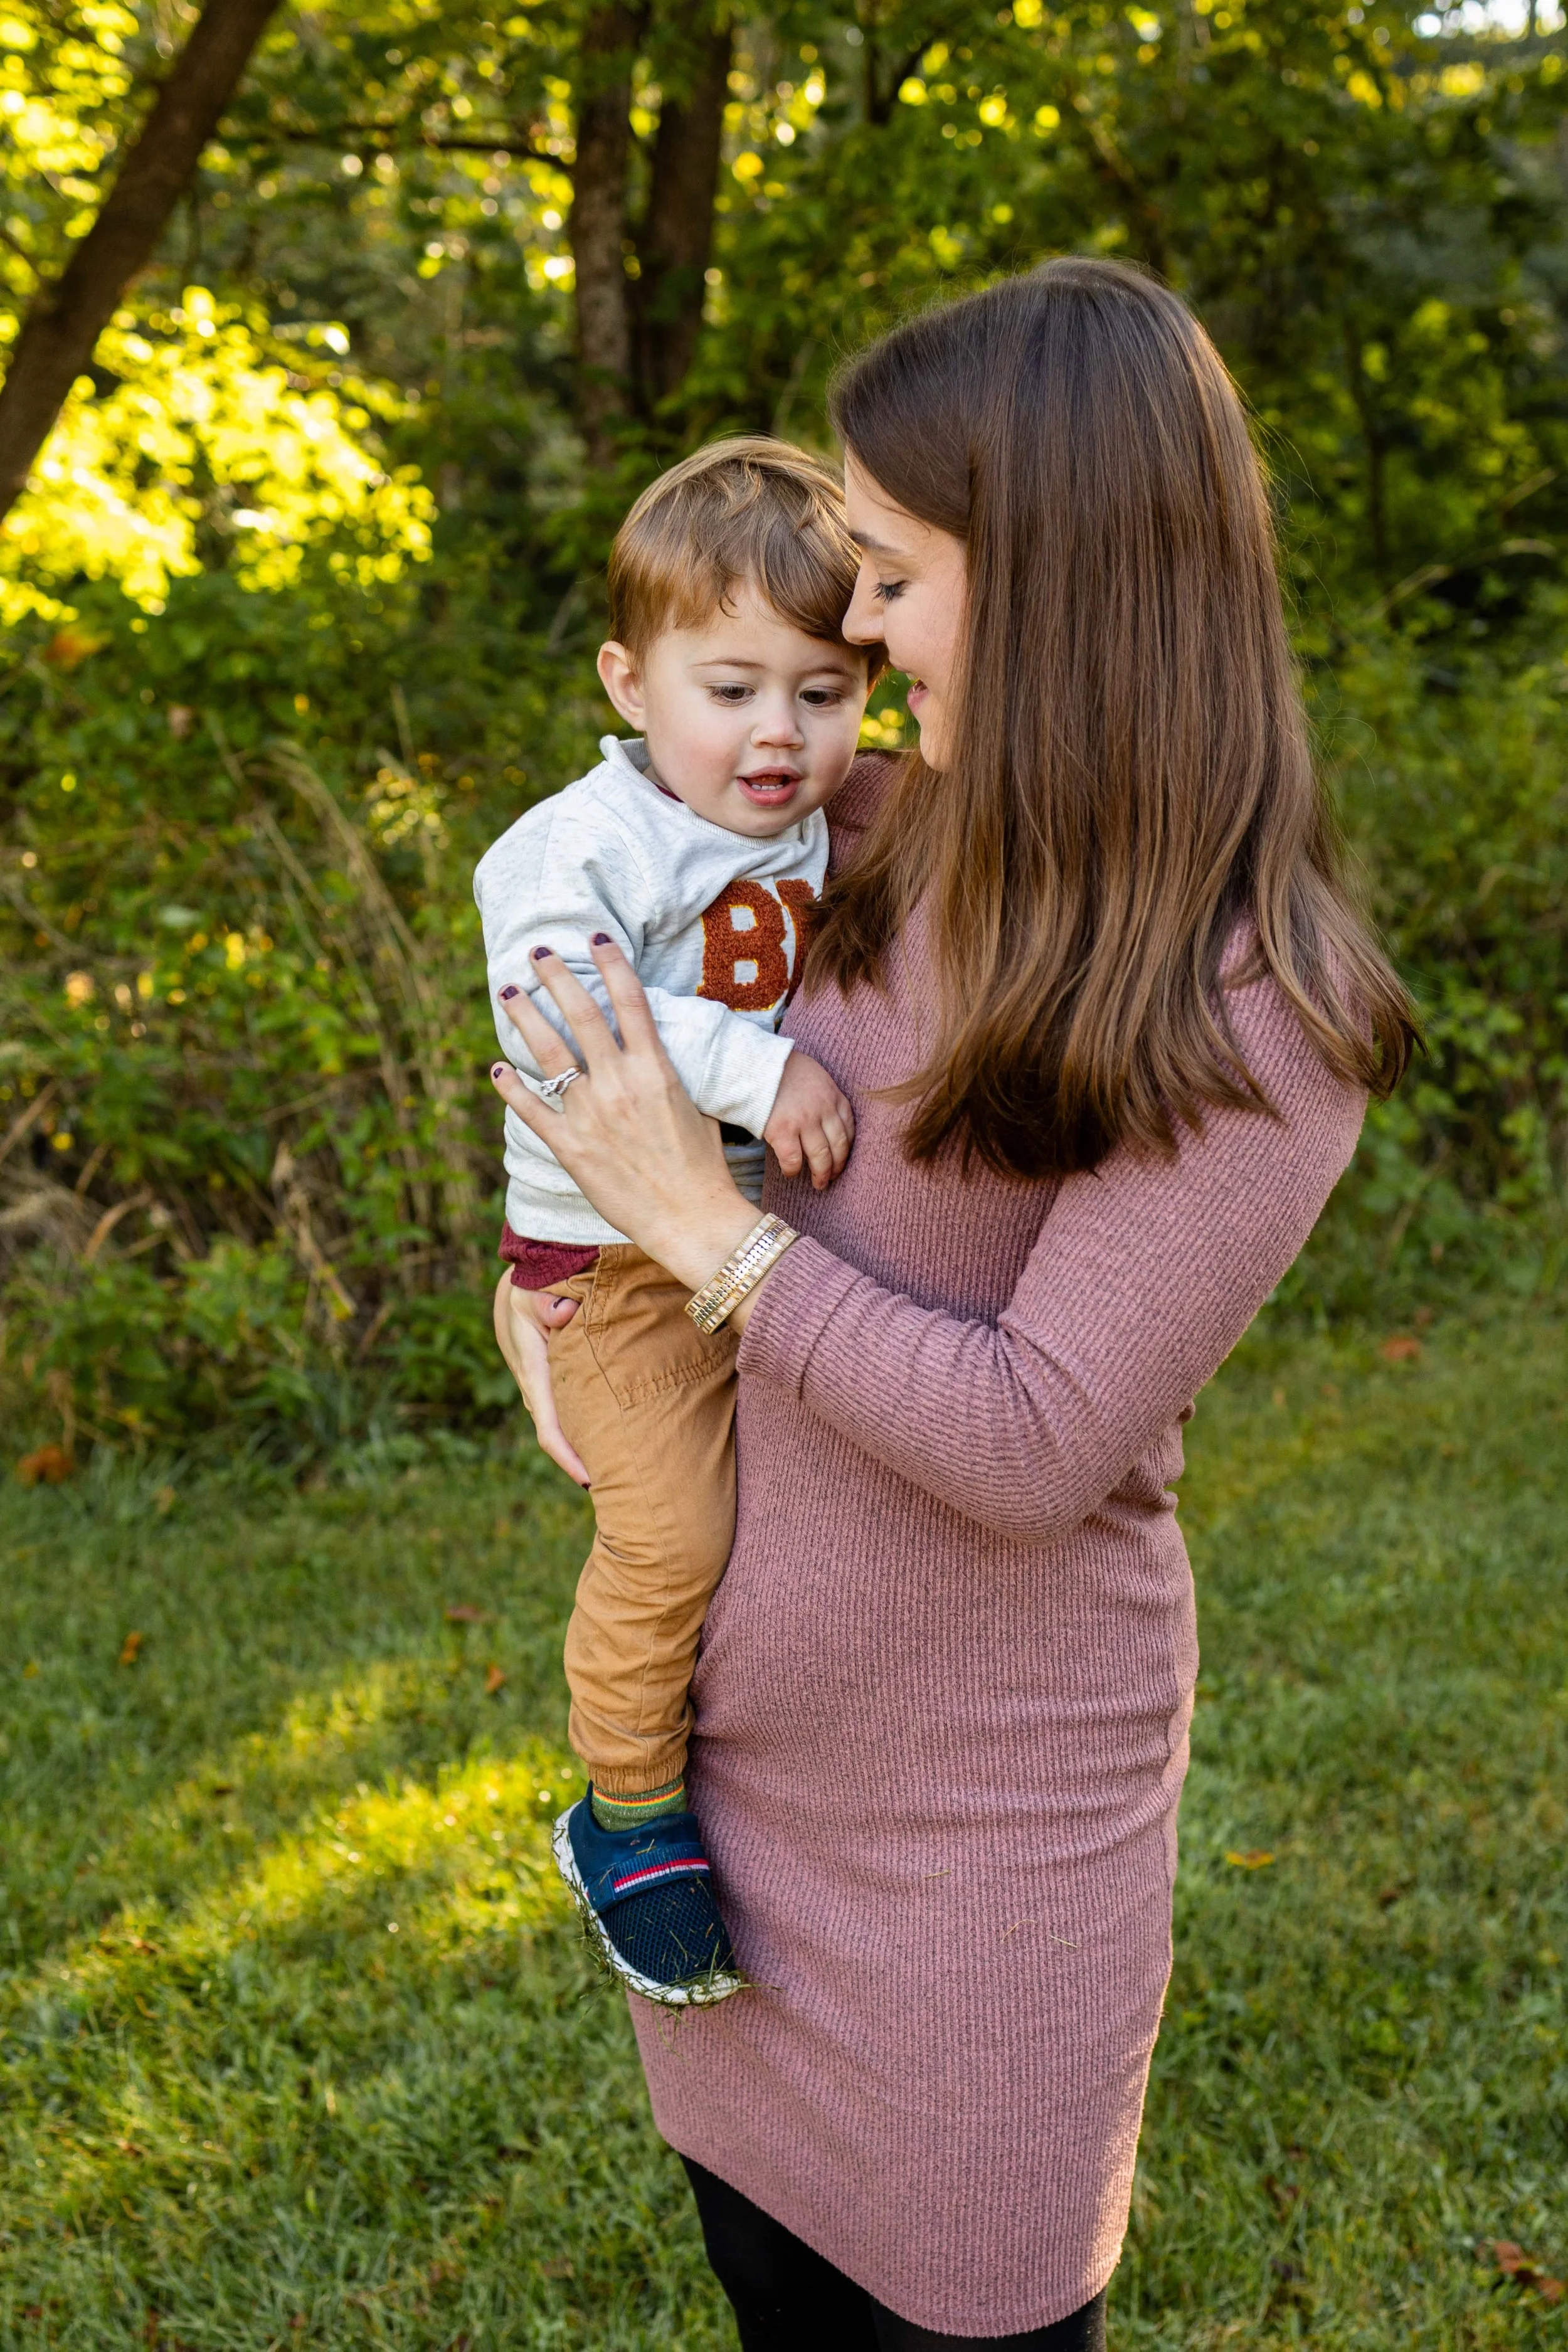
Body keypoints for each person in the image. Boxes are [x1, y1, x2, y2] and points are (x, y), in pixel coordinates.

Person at [490, 260, 1416, 2348]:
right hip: (731, 1802)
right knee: (771, 2301)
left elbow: (1026, 1442)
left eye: (895, 572)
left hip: (981, 1848)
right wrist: (557, 1262)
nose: (856, 627)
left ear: (1056, 575)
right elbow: (635, 1095)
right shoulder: (846, 842)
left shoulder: (1260, 1005)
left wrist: (711, 1242)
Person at [477, 440, 875, 2008]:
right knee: (673, 1538)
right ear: (629, 683)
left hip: (750, 1238)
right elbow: (563, 1015)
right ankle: (626, 1812)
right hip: (617, 1269)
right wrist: (754, 1061)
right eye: (731, 690)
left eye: (823, 691)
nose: (777, 734)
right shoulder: (577, 847)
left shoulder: (811, 820)